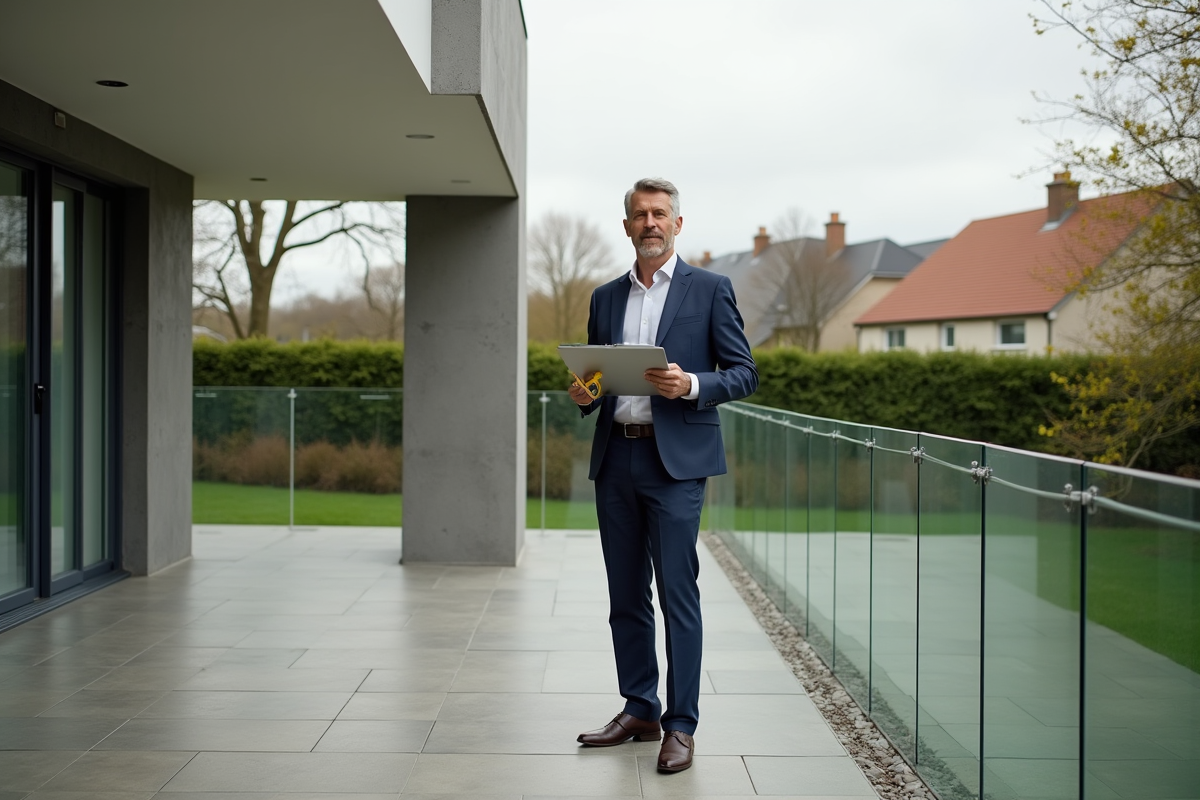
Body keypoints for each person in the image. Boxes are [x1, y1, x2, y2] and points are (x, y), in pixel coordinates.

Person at [569, 177, 758, 773]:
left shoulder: (711, 289)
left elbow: (744, 372)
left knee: (678, 594)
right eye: (639, 215)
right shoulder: (605, 297)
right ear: (626, 226)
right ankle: (640, 709)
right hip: (615, 459)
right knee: (625, 595)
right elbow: (598, 377)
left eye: (660, 214)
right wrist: (584, 390)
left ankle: (681, 724)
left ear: (677, 224)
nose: (650, 223)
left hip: (675, 467)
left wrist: (694, 385)